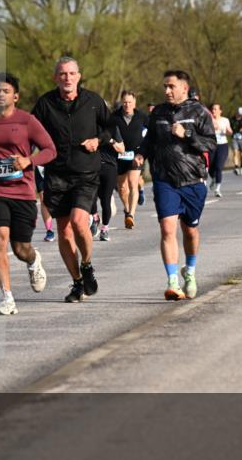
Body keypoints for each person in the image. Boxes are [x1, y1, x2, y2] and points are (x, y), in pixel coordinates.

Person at [0, 72, 56, 315]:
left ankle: (33, 260)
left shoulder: (27, 121)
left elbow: (50, 150)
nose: (0, 94)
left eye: (5, 91)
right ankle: (7, 297)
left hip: (23, 193)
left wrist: (29, 160)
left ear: (15, 96)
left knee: (20, 248)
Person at [32, 57, 113, 303]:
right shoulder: (45, 104)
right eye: (62, 74)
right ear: (56, 77)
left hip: (86, 173)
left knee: (79, 222)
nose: (67, 78)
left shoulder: (93, 102)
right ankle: (78, 282)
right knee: (64, 232)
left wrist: (98, 141)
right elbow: (30, 133)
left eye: (72, 73)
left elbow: (111, 129)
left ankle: (87, 264)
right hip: (56, 174)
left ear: (79, 76)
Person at [134, 70, 216, 301]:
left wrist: (187, 134)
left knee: (190, 230)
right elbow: (149, 140)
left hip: (193, 180)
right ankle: (172, 282)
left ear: (184, 88)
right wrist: (141, 155)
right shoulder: (158, 112)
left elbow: (211, 144)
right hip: (164, 180)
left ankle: (189, 272)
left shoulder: (199, 112)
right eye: (165, 87)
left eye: (171, 86)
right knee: (168, 228)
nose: (167, 91)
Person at [113, 90, 150, 227]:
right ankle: (127, 209)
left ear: (134, 103)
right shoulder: (114, 117)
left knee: (132, 183)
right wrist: (113, 142)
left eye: (129, 102)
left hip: (136, 155)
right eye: (125, 102)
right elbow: (107, 132)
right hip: (119, 156)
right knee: (122, 187)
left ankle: (131, 214)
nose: (127, 105)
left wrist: (144, 150)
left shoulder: (142, 116)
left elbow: (151, 132)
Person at [89, 115, 125, 241]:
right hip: (93, 167)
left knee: (105, 200)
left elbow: (122, 149)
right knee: (91, 198)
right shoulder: (89, 128)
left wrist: (110, 141)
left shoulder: (113, 128)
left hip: (110, 167)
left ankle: (105, 228)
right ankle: (94, 217)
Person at [208, 102, 232, 198]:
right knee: (209, 166)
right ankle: (213, 178)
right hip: (211, 146)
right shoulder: (208, 120)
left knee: (219, 166)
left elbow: (230, 131)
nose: (214, 111)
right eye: (212, 109)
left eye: (215, 109)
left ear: (220, 111)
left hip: (222, 145)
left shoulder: (225, 120)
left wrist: (228, 131)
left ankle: (217, 189)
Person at [230, 107, 242, 176]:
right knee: (235, 152)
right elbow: (230, 128)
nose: (240, 115)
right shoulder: (232, 120)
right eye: (239, 114)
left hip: (241, 139)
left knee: (241, 154)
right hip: (234, 138)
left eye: (241, 114)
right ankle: (236, 167)